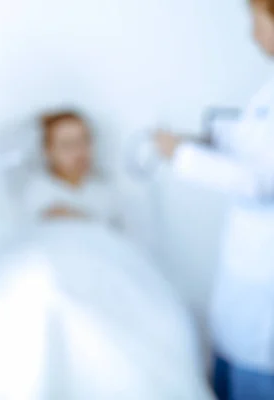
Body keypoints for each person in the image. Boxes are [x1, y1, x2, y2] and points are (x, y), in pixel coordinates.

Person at [154, 1, 274, 397]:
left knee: (255, 368)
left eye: (256, 23)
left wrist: (182, 156)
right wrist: (204, 141)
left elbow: (259, 181)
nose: (252, 35)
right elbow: (253, 141)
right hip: (247, 269)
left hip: (264, 280)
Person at [23, 110, 117, 225]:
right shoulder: (37, 195)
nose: (80, 151)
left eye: (84, 140)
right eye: (68, 145)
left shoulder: (104, 191)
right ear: (48, 151)